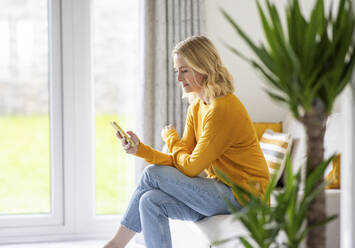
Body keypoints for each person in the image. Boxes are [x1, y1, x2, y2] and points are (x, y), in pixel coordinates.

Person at [104, 35, 269, 248]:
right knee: (150, 201)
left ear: (204, 67)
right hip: (221, 189)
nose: (179, 79)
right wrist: (140, 149)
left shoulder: (222, 109)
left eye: (185, 70)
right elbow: (182, 162)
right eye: (177, 71)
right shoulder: (197, 107)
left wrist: (172, 139)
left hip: (245, 196)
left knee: (151, 174)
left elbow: (190, 168)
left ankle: (115, 245)